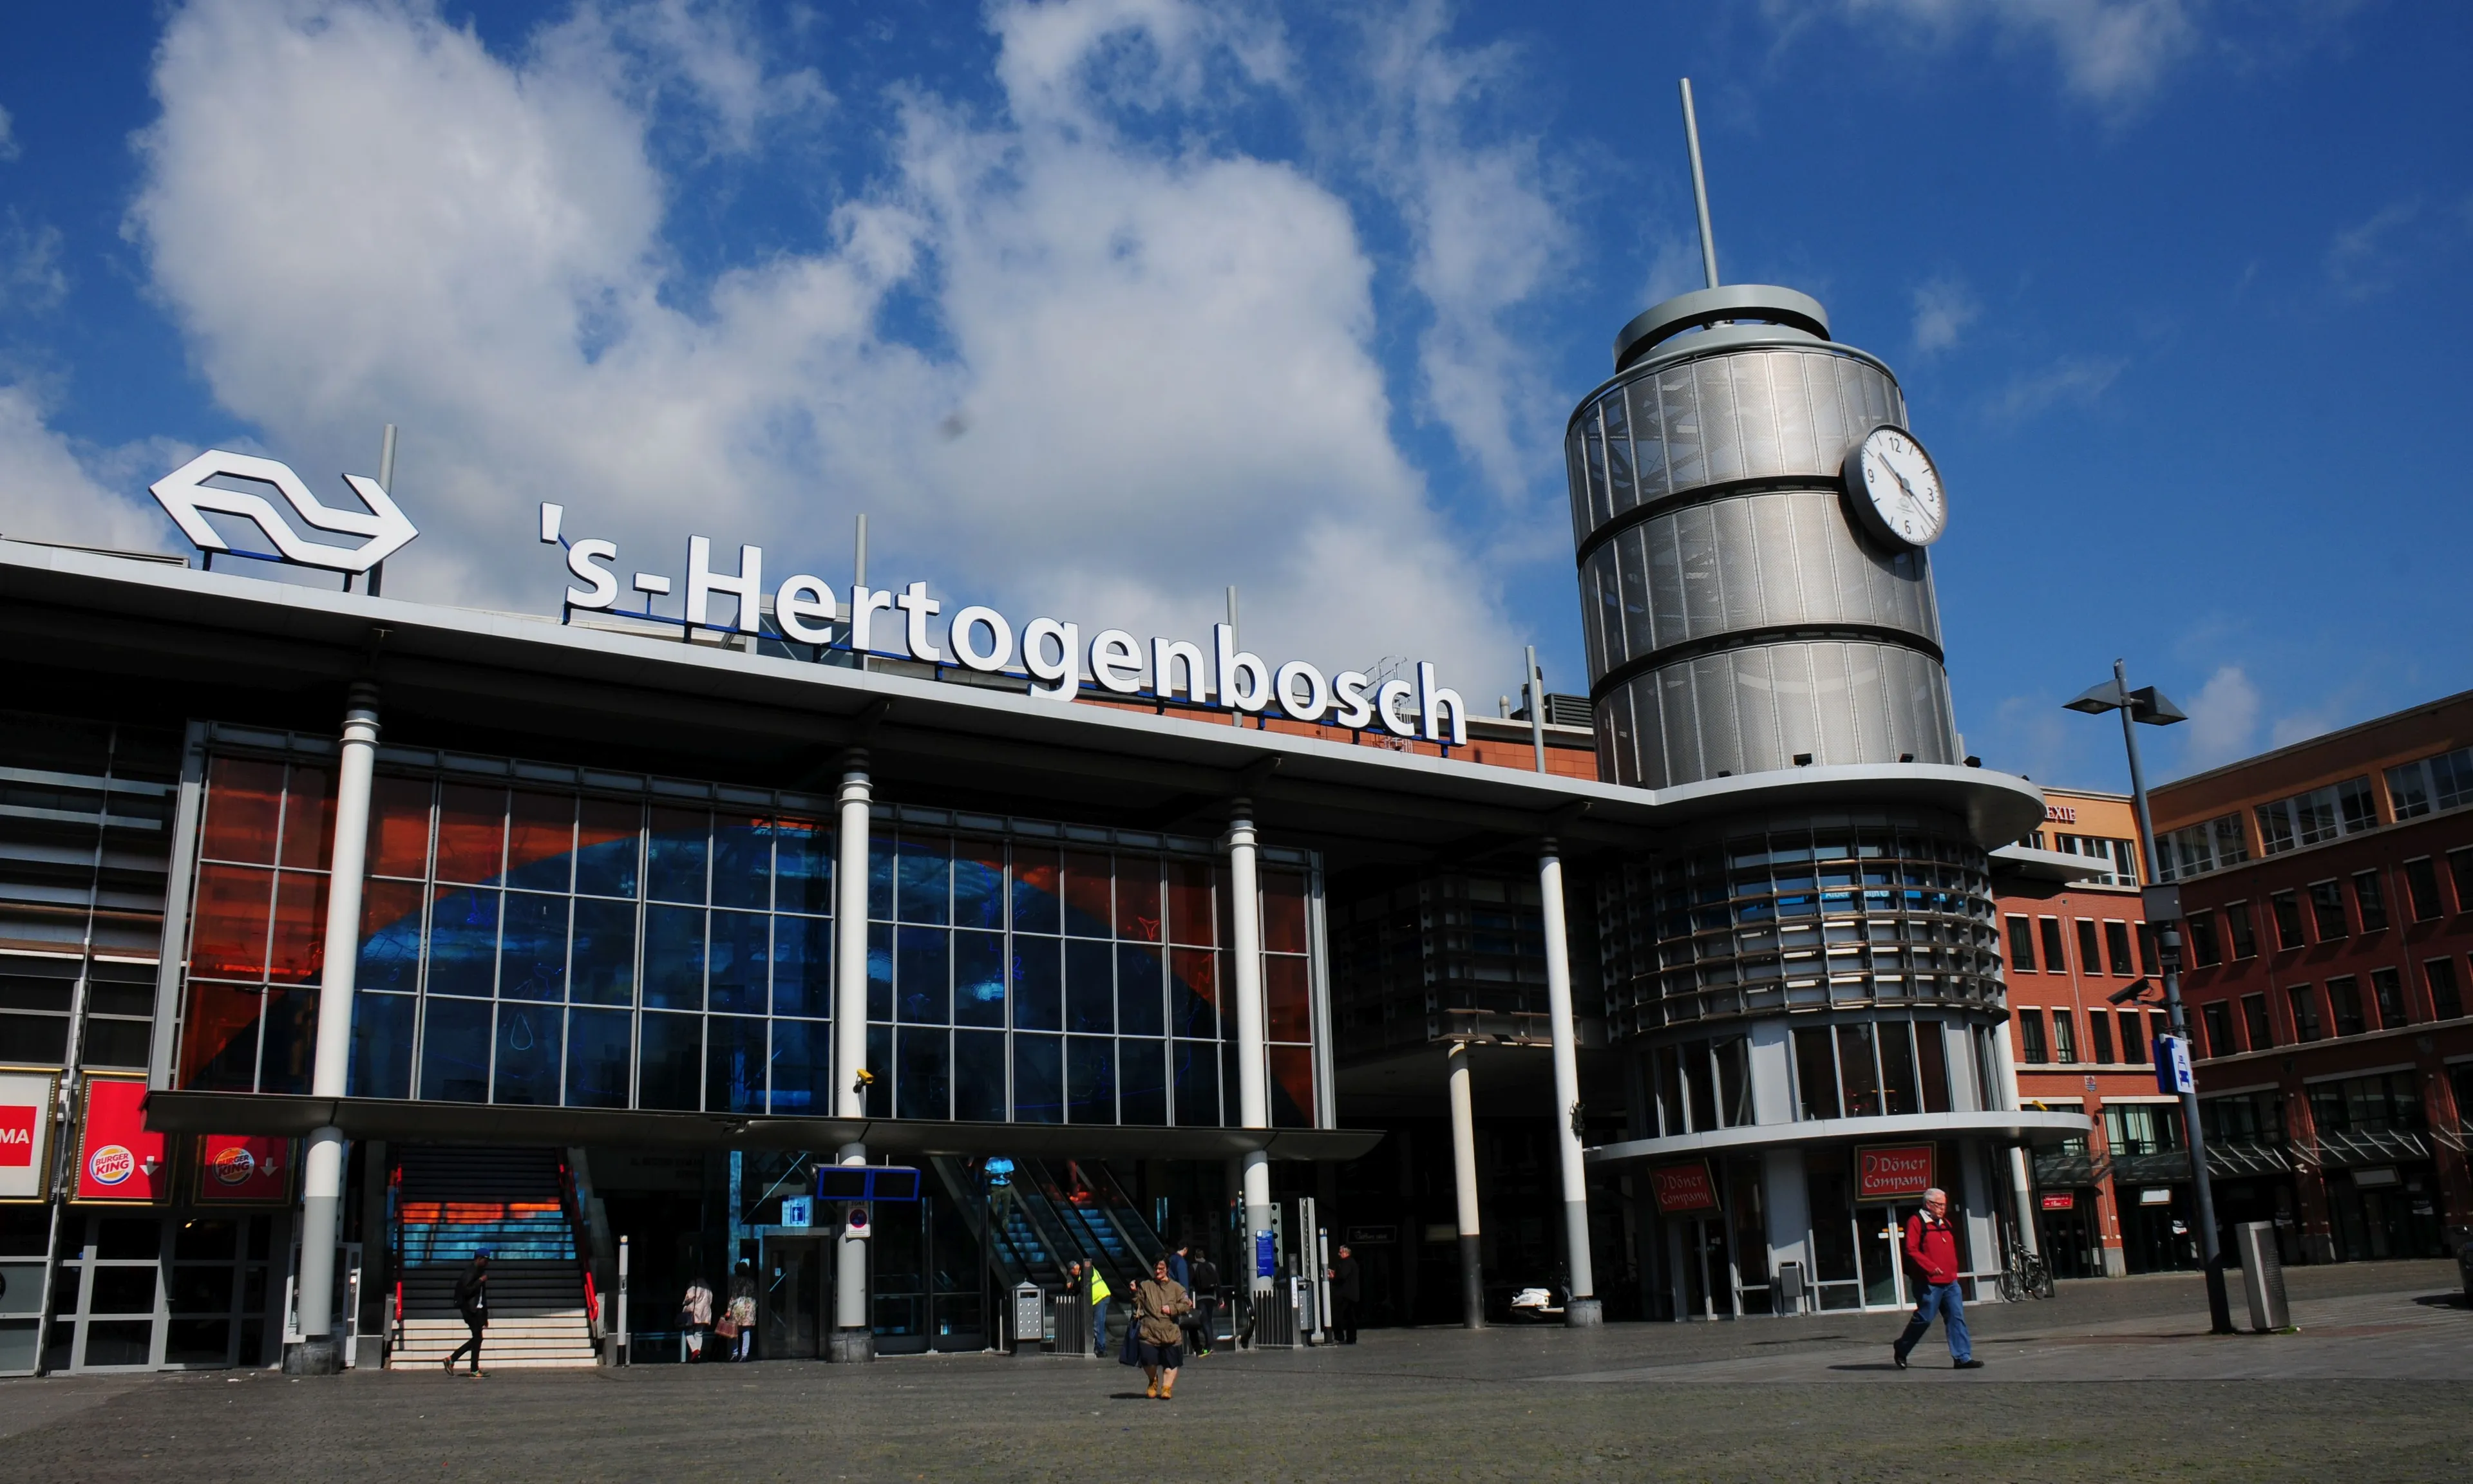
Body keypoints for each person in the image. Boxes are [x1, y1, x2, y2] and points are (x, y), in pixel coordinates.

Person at [1893, 1187, 1982, 1371]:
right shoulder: (1916, 1222)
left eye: (1944, 1205)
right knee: (1924, 1319)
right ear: (1928, 1204)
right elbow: (1911, 1250)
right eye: (1939, 1205)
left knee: (1956, 1318)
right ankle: (1902, 1347)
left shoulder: (1945, 1222)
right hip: (1928, 1283)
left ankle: (1962, 1357)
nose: (1943, 1208)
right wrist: (1931, 1267)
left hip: (1950, 1282)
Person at [1133, 1255, 1194, 1400]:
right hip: (1149, 1332)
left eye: (1161, 1268)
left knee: (1171, 1364)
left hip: (1170, 1333)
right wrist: (1134, 1291)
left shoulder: (1177, 1288)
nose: (1158, 1271)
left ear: (1167, 1269)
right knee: (1148, 1361)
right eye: (1156, 1268)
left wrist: (1172, 1309)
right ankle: (1153, 1381)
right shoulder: (1146, 1285)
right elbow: (1137, 1303)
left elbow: (1187, 1305)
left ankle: (1167, 1387)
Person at [445, 1251, 490, 1376]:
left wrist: (485, 1316)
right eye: (486, 1260)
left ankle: (460, 1362)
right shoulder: (471, 1272)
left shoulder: (479, 1272)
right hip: (469, 1310)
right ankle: (468, 1366)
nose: (487, 1263)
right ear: (479, 1258)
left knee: (478, 1339)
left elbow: (482, 1296)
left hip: (477, 1309)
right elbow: (466, 1291)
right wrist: (480, 1281)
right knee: (478, 1338)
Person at [1185, 1248, 1219, 1357]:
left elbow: (1189, 1282)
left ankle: (1209, 1346)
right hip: (1212, 1297)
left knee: (1204, 1322)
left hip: (1200, 1298)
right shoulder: (1212, 1266)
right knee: (1209, 1320)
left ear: (1195, 1257)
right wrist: (1221, 1297)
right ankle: (1210, 1344)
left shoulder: (1194, 1267)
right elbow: (1218, 1282)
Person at [1325, 1244, 1361, 1344]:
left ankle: (1341, 1337)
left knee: (1338, 1317)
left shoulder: (1347, 1263)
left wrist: (1334, 1277)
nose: (1339, 1254)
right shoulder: (1351, 1263)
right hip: (1350, 1295)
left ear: (1346, 1252)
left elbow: (1342, 1276)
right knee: (1350, 1318)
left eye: (1341, 1252)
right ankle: (1351, 1338)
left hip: (1345, 1296)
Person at [728, 1260, 759, 1362]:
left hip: (738, 1307)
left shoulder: (736, 1282)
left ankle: (735, 1353)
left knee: (734, 1332)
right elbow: (755, 1295)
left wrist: (728, 1310)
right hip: (749, 1307)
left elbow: (733, 1296)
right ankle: (744, 1354)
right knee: (746, 1332)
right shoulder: (751, 1282)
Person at [681, 1274, 715, 1363]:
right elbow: (710, 1299)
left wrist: (684, 1303)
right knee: (699, 1333)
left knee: (688, 1331)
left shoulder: (694, 1284)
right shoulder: (708, 1286)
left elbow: (689, 1297)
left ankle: (695, 1350)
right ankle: (698, 1354)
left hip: (694, 1312)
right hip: (704, 1312)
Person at [1086, 1260, 1114, 1358]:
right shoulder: (1087, 1271)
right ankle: (1099, 1347)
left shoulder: (1087, 1270)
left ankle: (1101, 1349)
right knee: (1098, 1324)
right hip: (1100, 1299)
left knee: (1098, 1324)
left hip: (1101, 1298)